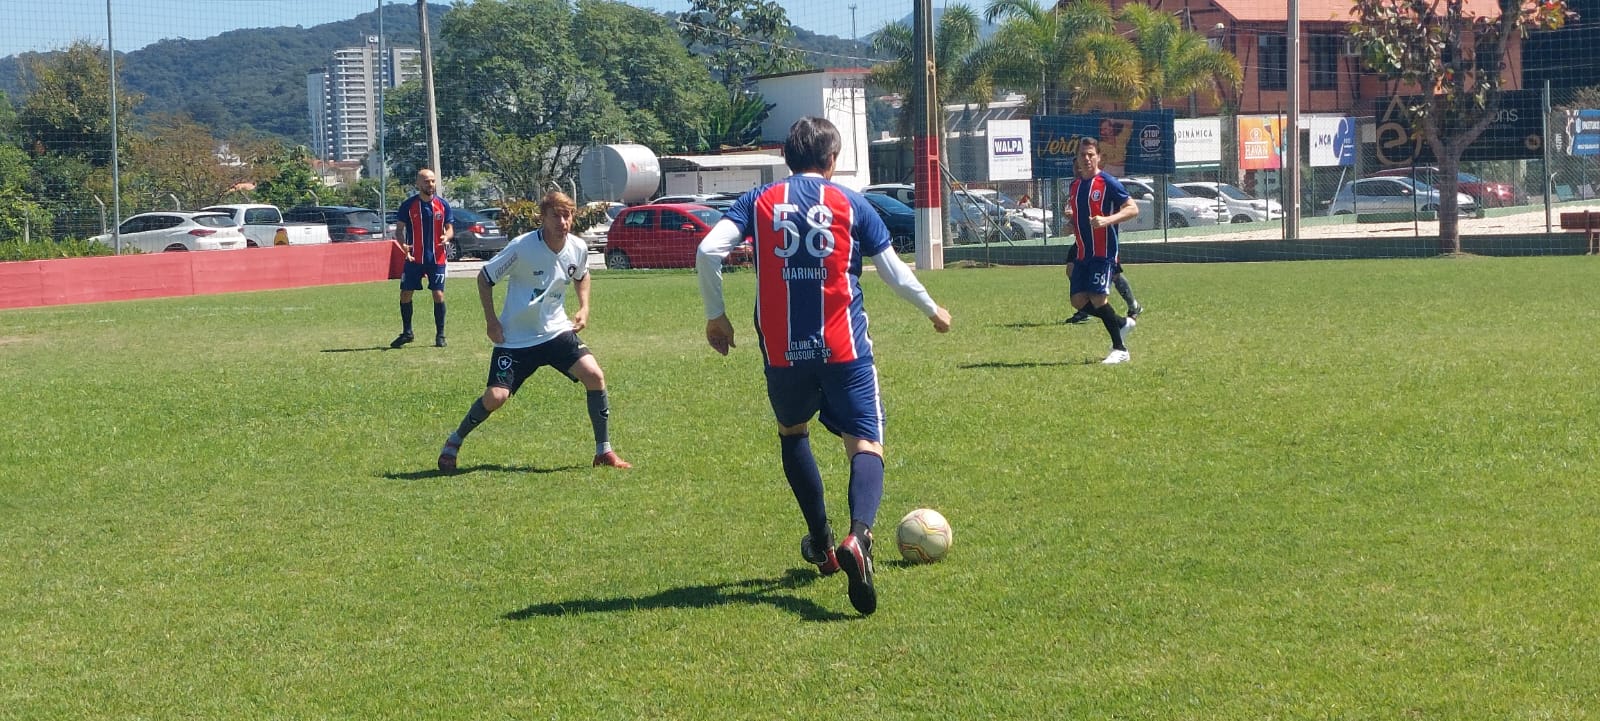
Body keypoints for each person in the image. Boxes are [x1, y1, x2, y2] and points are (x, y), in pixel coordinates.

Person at [696, 117, 952, 616]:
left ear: (787, 156)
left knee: (793, 433)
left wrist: (716, 317)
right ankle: (859, 537)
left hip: (783, 351)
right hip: (845, 349)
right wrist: (932, 310)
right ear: (831, 159)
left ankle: (821, 543)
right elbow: (895, 273)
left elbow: (708, 250)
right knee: (864, 441)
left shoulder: (759, 200)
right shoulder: (852, 202)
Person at [435, 191, 631, 472]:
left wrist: (584, 307)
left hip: (556, 333)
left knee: (595, 375)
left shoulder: (577, 247)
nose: (562, 222)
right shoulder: (521, 248)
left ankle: (604, 451)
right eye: (556, 215)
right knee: (496, 398)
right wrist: (491, 321)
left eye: (567, 215)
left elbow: (582, 274)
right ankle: (454, 441)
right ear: (543, 218)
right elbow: (484, 278)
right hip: (516, 340)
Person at [1061, 137, 1139, 364]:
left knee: (1097, 297)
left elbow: (1132, 209)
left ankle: (1120, 348)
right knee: (1077, 301)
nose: (1086, 159)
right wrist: (1071, 225)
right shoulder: (1075, 186)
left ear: (1098, 157)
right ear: (1076, 158)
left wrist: (1107, 220)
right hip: (1082, 254)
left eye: (1090, 154)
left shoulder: (1107, 182)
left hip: (1103, 253)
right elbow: (1081, 218)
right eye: (1082, 155)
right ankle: (1121, 323)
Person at [391, 168, 454, 348]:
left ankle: (440, 335)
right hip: (414, 259)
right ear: (418, 184)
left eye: (433, 181)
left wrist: (446, 236)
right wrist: (403, 245)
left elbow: (450, 228)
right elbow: (399, 230)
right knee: (405, 294)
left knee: (438, 294)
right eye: (426, 181)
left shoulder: (443, 205)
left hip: (437, 259)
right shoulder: (408, 205)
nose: (431, 184)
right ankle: (407, 332)